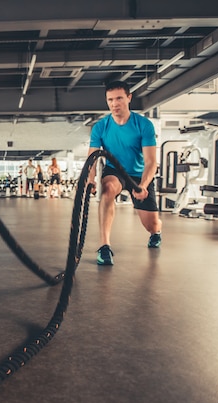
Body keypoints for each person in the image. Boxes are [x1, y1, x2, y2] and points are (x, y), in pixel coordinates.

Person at [87, 80, 162, 266]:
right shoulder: (100, 127)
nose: (114, 103)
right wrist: (90, 180)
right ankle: (104, 246)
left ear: (129, 98)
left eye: (119, 98)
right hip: (115, 171)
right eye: (110, 100)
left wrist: (143, 186)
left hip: (139, 174)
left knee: (151, 224)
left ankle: (156, 233)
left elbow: (152, 162)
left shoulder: (143, 125)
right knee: (107, 190)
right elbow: (92, 159)